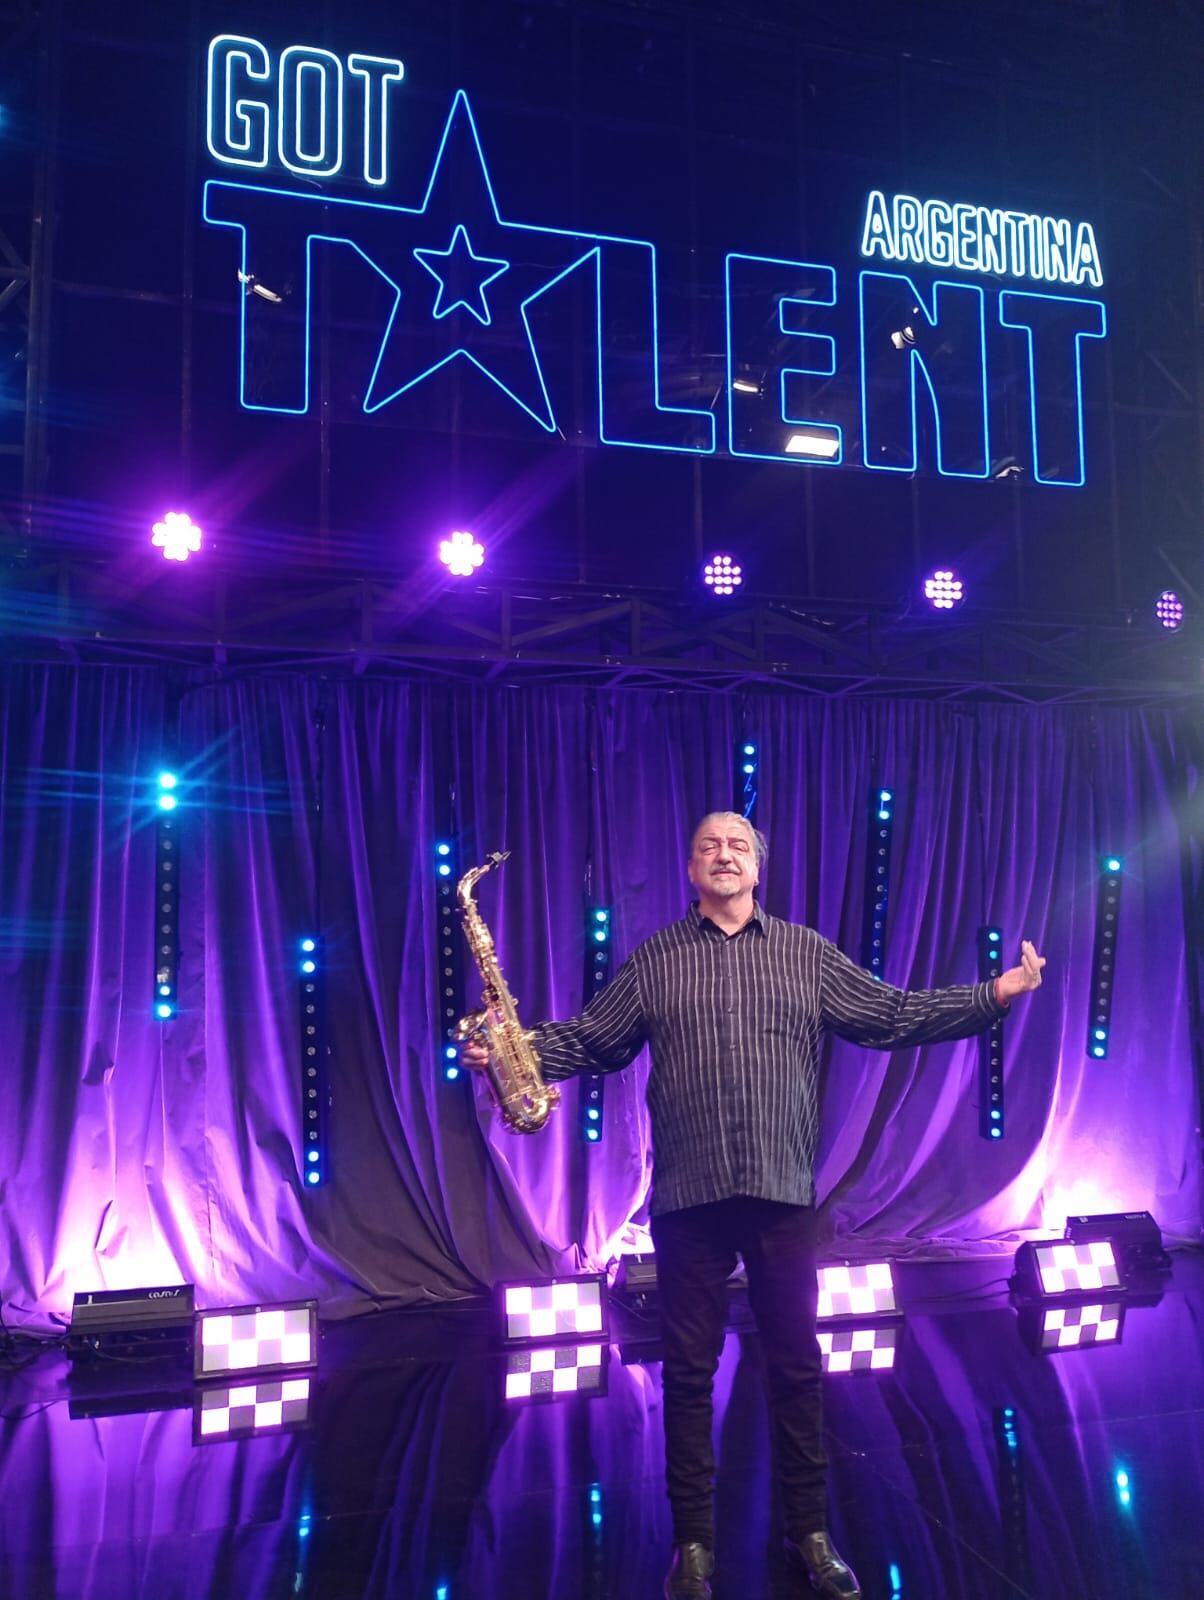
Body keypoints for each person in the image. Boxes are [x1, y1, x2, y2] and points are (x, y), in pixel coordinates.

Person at [461, 811, 1045, 1600]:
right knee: (689, 1376)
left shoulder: (806, 953)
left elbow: (892, 1016)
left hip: (783, 1195)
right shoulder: (656, 960)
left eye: (737, 845)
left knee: (799, 1371)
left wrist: (993, 995)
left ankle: (808, 1531)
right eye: (708, 845)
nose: (724, 854)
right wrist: (510, 1050)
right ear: (691, 870)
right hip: (689, 1200)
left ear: (757, 868)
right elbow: (598, 1039)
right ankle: (693, 1547)